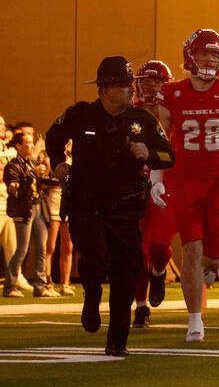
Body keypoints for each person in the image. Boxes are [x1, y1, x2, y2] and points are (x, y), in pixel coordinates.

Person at [45, 56, 175, 356]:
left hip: (126, 212)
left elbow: (170, 156)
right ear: (104, 89)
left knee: (127, 274)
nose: (132, 90)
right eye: (123, 85)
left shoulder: (144, 120)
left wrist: (149, 154)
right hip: (86, 207)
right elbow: (53, 137)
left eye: (132, 84)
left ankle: (118, 342)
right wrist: (58, 163)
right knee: (97, 257)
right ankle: (91, 297)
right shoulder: (81, 115)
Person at [153, 30, 219, 342]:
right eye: (204, 53)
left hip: (218, 183)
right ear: (190, 57)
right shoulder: (172, 92)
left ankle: (217, 262)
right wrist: (156, 179)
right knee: (192, 249)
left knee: (215, 252)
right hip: (184, 182)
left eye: (215, 54)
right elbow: (160, 141)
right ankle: (194, 319)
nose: (210, 59)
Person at [131, 61, 176, 328]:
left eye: (158, 82)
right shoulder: (129, 112)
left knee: (158, 246)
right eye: (147, 81)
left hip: (164, 187)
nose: (152, 86)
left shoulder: (173, 113)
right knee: (138, 251)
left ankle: (159, 271)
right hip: (133, 186)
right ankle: (140, 306)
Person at [3, 130, 37, 297]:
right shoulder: (14, 165)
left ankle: (41, 285)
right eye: (27, 144)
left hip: (35, 206)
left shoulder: (30, 163)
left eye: (32, 143)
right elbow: (15, 188)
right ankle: (10, 285)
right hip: (22, 209)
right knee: (21, 249)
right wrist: (32, 176)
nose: (31, 147)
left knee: (41, 248)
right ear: (18, 146)